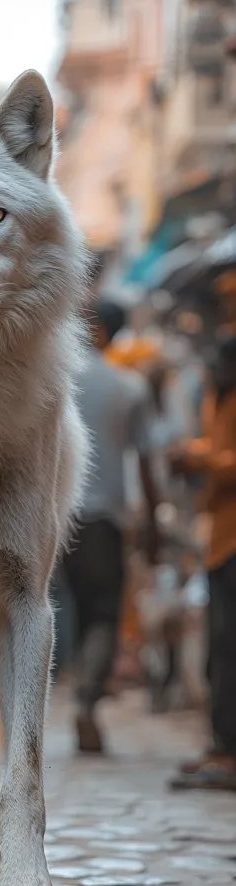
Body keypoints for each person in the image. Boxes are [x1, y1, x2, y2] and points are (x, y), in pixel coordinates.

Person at [62, 299, 159, 753]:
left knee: (52, 610)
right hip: (105, 519)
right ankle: (86, 699)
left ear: (96, 328)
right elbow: (145, 462)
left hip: (51, 516)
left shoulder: (53, 375)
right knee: (102, 613)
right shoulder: (129, 387)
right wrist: (153, 523)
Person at [168, 337, 236, 790]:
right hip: (220, 538)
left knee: (228, 650)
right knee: (220, 651)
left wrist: (198, 456)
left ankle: (228, 755)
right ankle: (221, 746)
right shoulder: (218, 398)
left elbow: (222, 457)